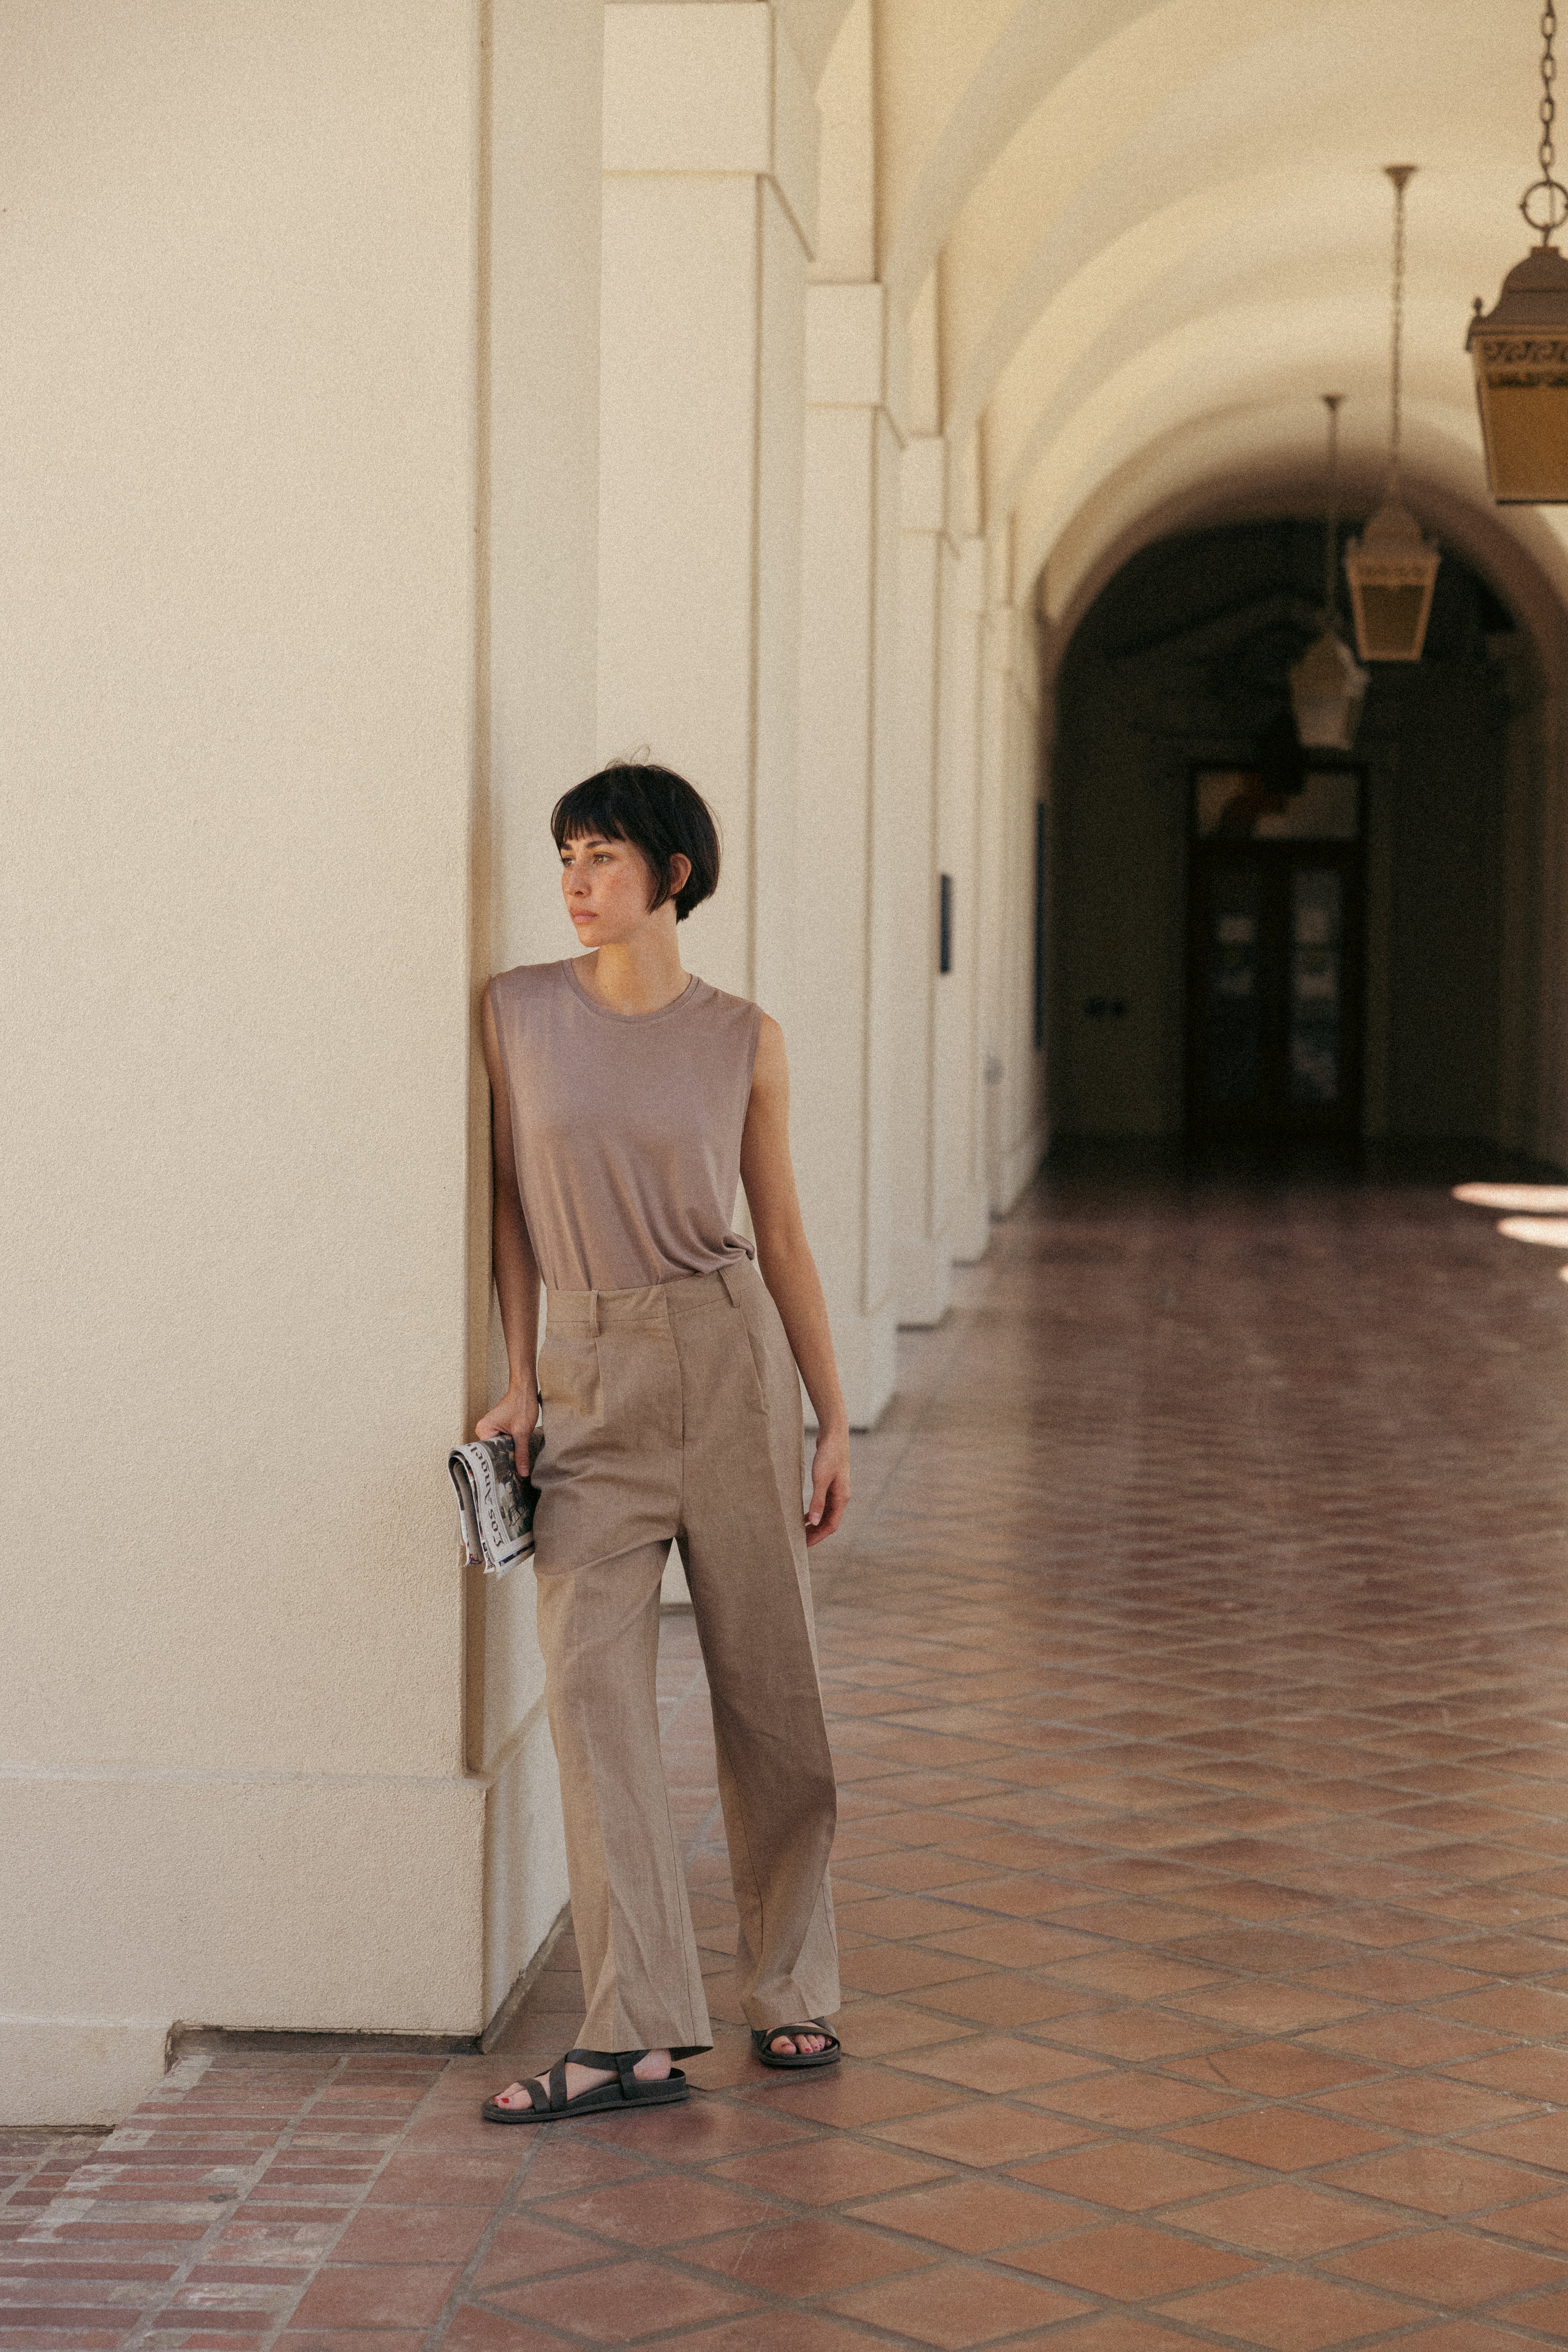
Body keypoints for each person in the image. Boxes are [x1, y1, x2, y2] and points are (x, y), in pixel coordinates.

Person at [477, 762, 851, 2124]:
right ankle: (634, 2025)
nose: (576, 883)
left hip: (729, 1354)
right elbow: (510, 1215)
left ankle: (794, 1989)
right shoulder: (515, 1013)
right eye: (566, 857)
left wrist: (830, 1413)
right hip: (583, 1376)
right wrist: (517, 1381)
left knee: (772, 1686)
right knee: (590, 1695)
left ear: (672, 875)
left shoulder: (744, 1038)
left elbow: (786, 1237)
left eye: (603, 858)